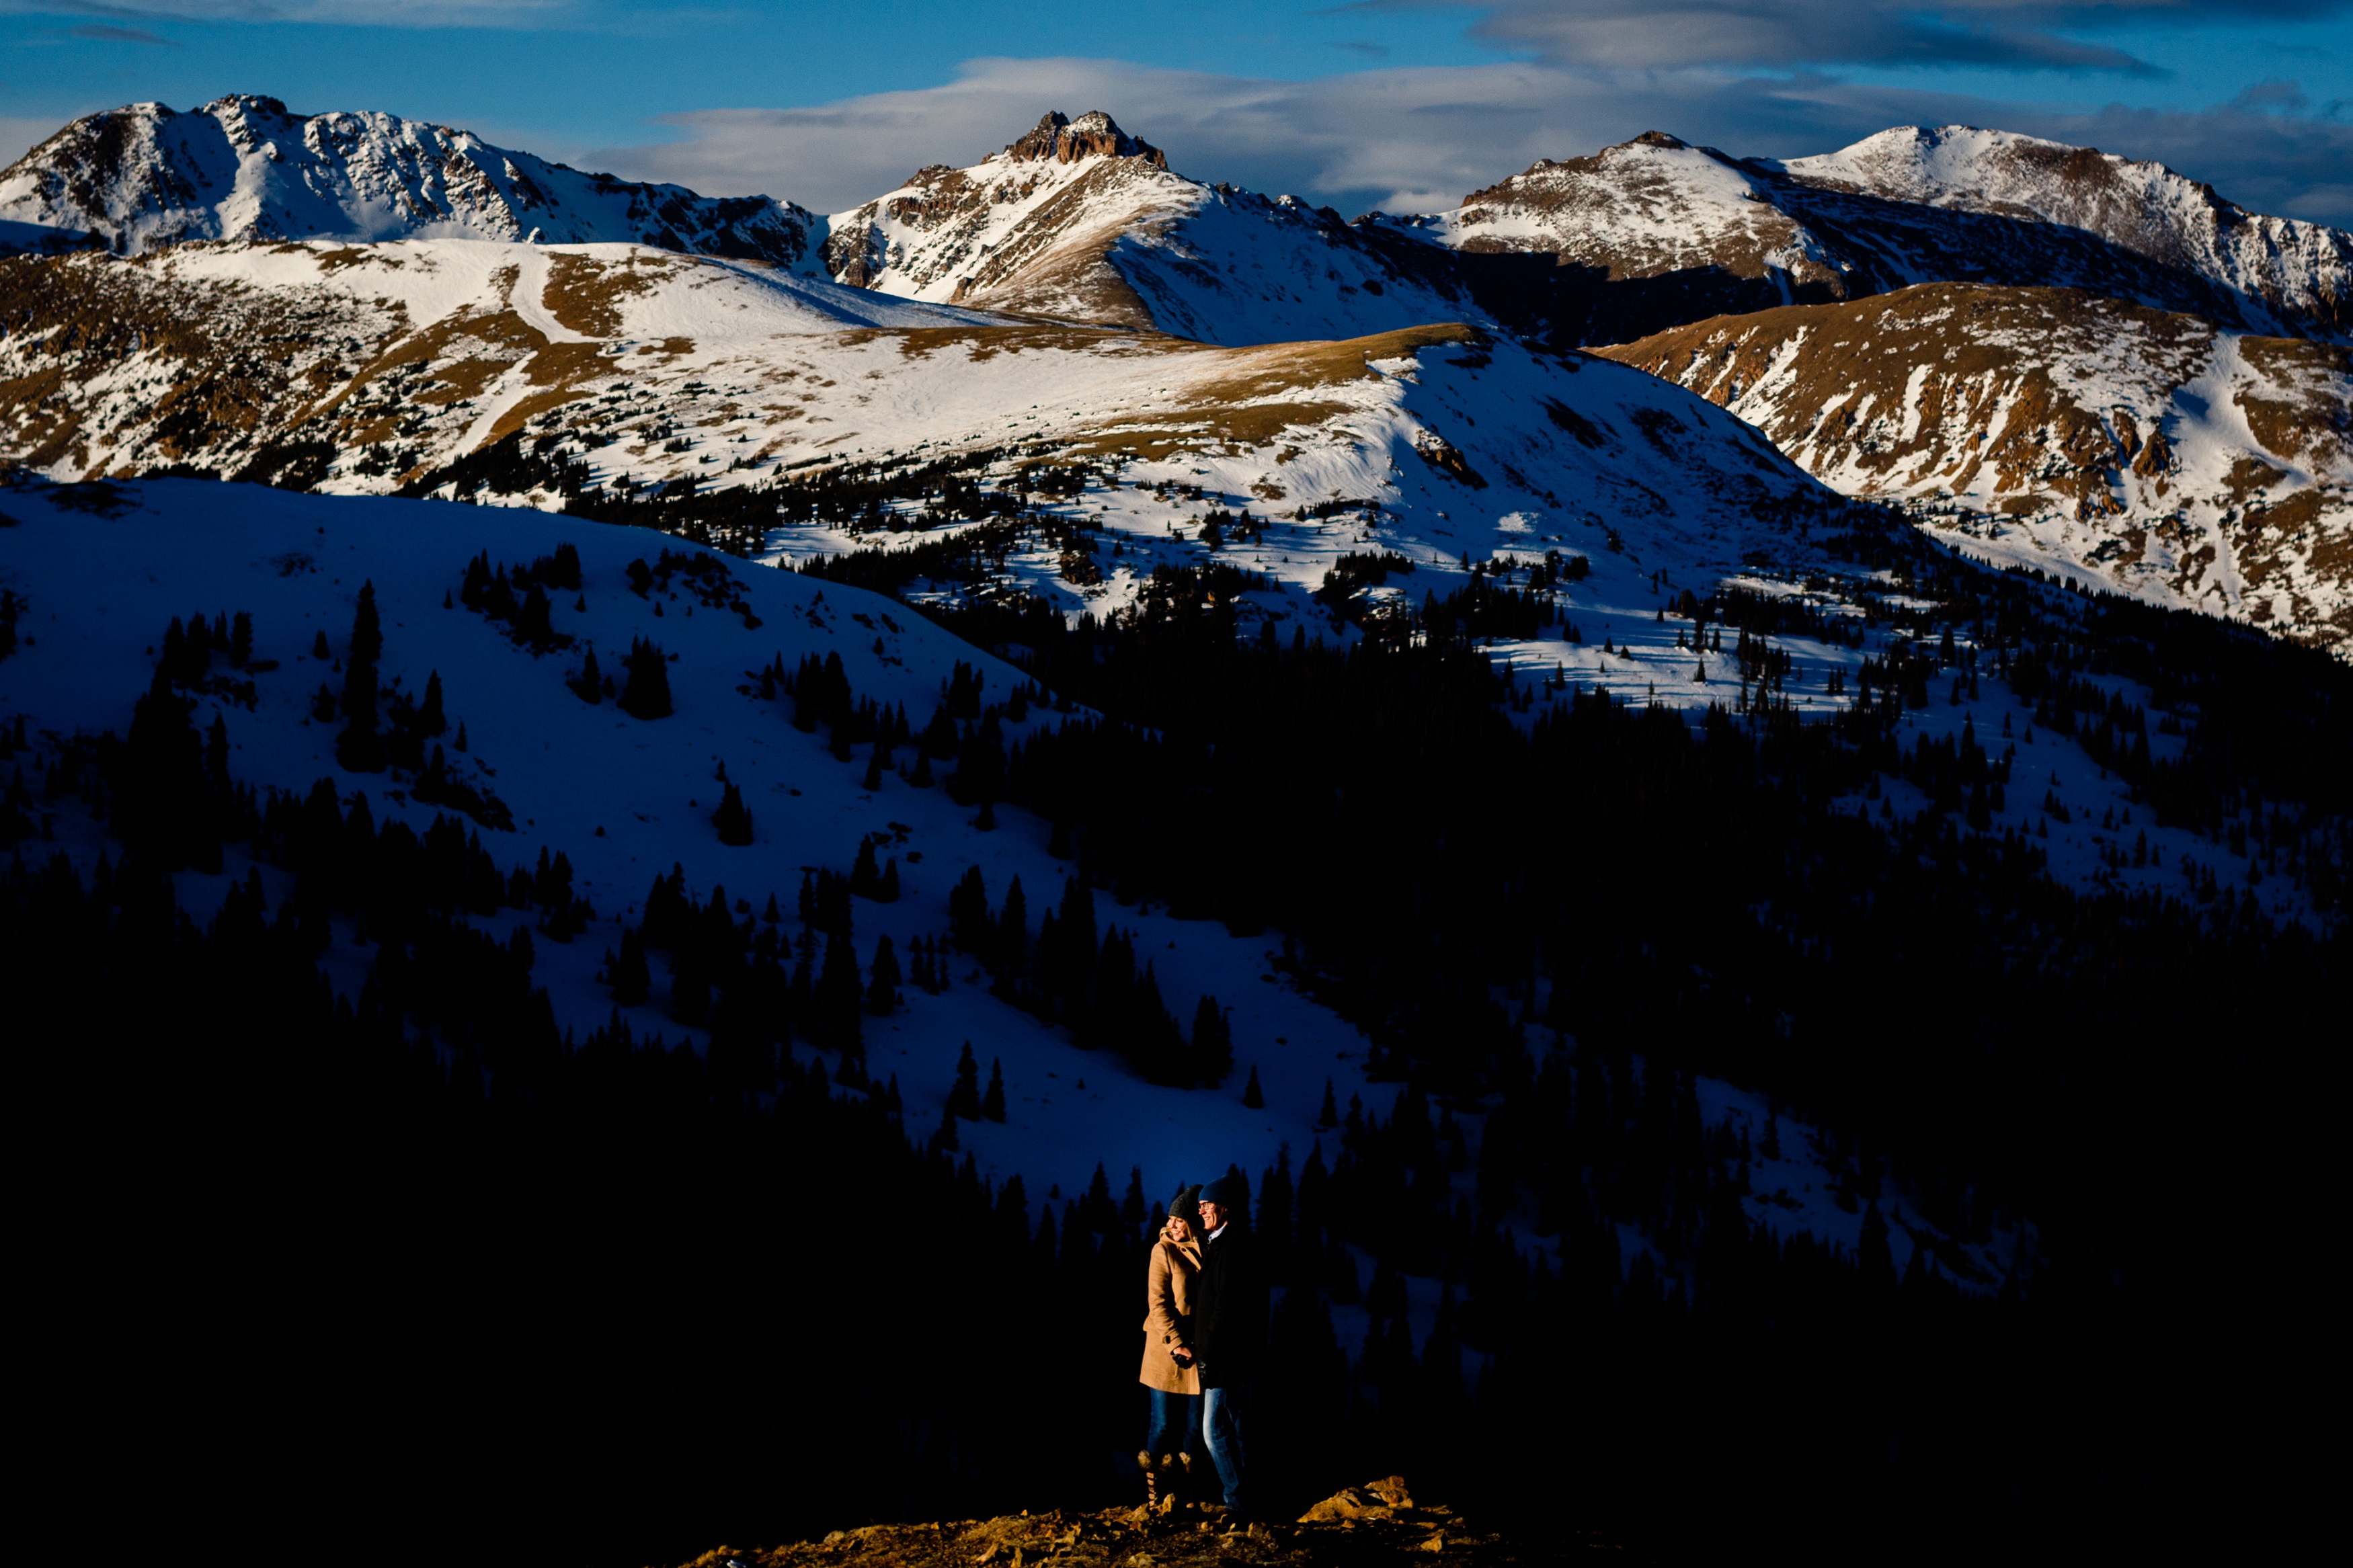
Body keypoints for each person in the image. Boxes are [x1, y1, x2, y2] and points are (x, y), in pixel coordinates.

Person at [1189, 1170, 1265, 1520]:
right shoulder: (1221, 1242)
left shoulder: (1234, 1245)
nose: (1201, 1210)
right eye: (1201, 1205)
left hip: (1227, 1358)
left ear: (1225, 1208)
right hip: (1231, 1356)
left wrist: (1206, 1351)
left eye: (1207, 1204)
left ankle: (1237, 1501)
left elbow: (1227, 1305)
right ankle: (1252, 1497)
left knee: (1213, 1431)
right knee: (1239, 1428)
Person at [1137, 1184, 1204, 1510]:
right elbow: (1158, 1304)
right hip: (1165, 1350)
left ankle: (1189, 1496)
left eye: (1180, 1220)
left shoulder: (1209, 1250)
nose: (1173, 1225)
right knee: (1163, 1424)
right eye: (1171, 1219)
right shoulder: (1161, 1251)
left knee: (1194, 1429)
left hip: (1200, 1349)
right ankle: (1156, 1498)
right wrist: (1177, 1343)